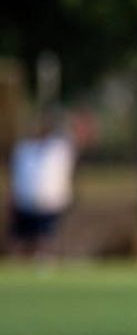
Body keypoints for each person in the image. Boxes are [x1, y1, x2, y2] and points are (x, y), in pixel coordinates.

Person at [7, 105, 95, 259]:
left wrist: (76, 121)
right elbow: (15, 177)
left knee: (46, 241)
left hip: (51, 204)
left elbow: (82, 138)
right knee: (19, 241)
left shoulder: (60, 147)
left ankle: (45, 265)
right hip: (25, 203)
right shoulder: (23, 148)